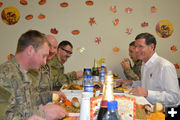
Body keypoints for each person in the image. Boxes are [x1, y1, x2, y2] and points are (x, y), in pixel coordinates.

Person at [0, 30, 67, 120]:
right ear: (30, 50)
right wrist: (42, 113)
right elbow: (4, 116)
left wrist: (50, 95)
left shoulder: (25, 73)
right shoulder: (4, 75)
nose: (44, 62)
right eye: (43, 56)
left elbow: (30, 100)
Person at [117, 32, 180, 107]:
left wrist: (147, 93)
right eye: (136, 47)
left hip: (162, 112)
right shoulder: (144, 63)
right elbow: (148, 84)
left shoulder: (165, 66)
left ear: (152, 47)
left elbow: (174, 97)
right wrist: (132, 83)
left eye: (140, 46)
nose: (136, 50)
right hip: (146, 105)